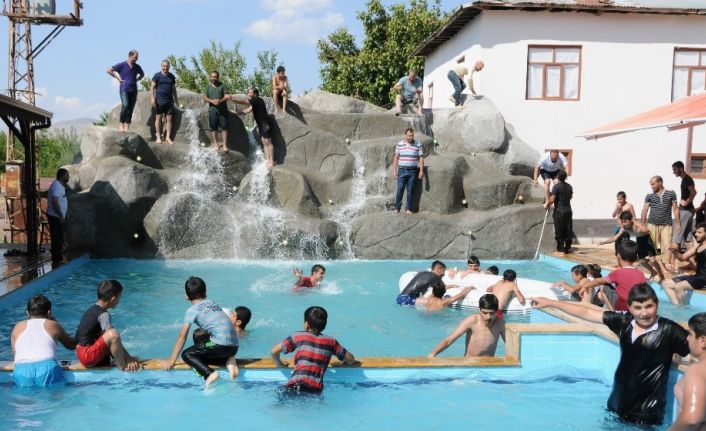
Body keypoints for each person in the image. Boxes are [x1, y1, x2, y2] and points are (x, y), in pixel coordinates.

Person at [532, 283, 689, 426]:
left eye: (649, 306)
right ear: (629, 307)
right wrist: (551, 303)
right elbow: (586, 312)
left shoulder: (670, 330)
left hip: (647, 409)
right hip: (617, 400)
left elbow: (698, 347)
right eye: (638, 308)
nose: (644, 313)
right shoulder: (624, 322)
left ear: (657, 304)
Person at [161, 276, 239, 386]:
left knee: (187, 354)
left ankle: (210, 374)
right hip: (234, 347)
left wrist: (171, 360)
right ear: (205, 293)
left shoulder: (191, 311)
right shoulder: (213, 303)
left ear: (187, 297)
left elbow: (182, 338)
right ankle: (228, 360)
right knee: (198, 336)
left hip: (221, 346)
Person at [271, 306, 356, 393]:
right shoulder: (331, 341)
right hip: (315, 390)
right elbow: (350, 360)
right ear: (324, 325)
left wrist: (279, 363)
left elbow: (274, 351)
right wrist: (348, 361)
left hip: (294, 385)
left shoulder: (297, 336)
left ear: (306, 324)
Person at [75, 280, 141, 371]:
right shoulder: (103, 315)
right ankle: (123, 367)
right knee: (113, 334)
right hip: (87, 356)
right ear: (113, 299)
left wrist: (126, 357)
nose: (119, 301)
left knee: (109, 334)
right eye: (119, 298)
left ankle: (118, 360)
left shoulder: (93, 309)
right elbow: (113, 338)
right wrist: (129, 359)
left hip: (82, 352)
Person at [11, 295, 76, 387]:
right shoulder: (53, 324)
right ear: (49, 312)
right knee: (54, 399)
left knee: (24, 400)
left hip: (22, 369)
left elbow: (16, 356)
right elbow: (71, 345)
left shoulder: (17, 327)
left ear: (27, 313)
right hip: (47, 368)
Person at [428, 294, 505, 358]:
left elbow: (510, 343)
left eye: (492, 313)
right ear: (479, 310)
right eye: (485, 313)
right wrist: (432, 354)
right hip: (469, 365)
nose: (488, 317)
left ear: (497, 311)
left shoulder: (500, 323)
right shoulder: (472, 321)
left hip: (488, 366)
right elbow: (449, 340)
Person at [578, 240, 647, 312]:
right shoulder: (641, 274)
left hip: (624, 307)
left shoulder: (618, 273)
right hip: (638, 307)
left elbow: (598, 281)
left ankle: (614, 313)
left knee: (603, 285)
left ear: (618, 256)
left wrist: (585, 286)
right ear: (636, 258)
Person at [600, 211, 665, 282]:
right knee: (642, 261)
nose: (623, 224)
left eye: (625, 221)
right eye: (622, 222)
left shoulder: (635, 224)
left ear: (631, 221)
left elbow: (646, 230)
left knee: (653, 260)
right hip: (640, 240)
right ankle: (653, 272)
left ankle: (661, 275)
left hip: (647, 238)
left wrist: (642, 230)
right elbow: (615, 238)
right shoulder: (623, 228)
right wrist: (604, 242)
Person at [670, 312, 706, 431]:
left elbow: (692, 419)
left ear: (703, 340)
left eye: (690, 333)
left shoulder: (697, 370)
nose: (687, 338)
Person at [642, 175, 680, 271]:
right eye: (651, 184)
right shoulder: (649, 195)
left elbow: (675, 209)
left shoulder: (671, 193)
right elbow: (645, 210)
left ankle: (665, 262)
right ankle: (654, 263)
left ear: (660, 182)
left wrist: (679, 223)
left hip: (666, 224)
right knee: (651, 246)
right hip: (652, 224)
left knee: (667, 244)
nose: (652, 186)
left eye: (653, 184)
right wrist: (643, 225)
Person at [662, 222, 706, 305]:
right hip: (698, 276)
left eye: (699, 232)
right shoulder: (698, 246)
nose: (696, 234)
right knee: (666, 284)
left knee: (680, 286)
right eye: (696, 232)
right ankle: (677, 307)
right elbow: (682, 258)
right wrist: (675, 251)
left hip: (704, 279)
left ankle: (681, 310)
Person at [233, 87, 275, 169]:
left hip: (265, 123)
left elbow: (244, 102)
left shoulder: (257, 99)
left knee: (268, 142)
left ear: (255, 94)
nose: (248, 94)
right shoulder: (255, 102)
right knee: (263, 141)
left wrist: (231, 98)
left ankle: (272, 161)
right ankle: (267, 160)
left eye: (250, 93)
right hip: (261, 124)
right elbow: (246, 111)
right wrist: (236, 113)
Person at [107, 50, 144, 132]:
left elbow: (142, 74)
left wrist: (137, 79)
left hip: (133, 90)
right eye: (135, 57)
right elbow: (109, 70)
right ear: (130, 56)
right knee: (126, 105)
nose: (137, 59)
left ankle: (127, 126)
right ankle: (121, 124)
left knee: (130, 109)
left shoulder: (137, 67)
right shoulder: (122, 65)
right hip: (124, 89)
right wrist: (118, 78)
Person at [393, 128, 425, 214]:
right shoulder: (400, 144)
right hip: (402, 170)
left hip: (413, 171)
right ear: (406, 135)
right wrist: (394, 171)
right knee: (400, 189)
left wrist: (421, 171)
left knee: (410, 190)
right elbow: (396, 158)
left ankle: (408, 209)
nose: (411, 137)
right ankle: (397, 208)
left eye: (412, 135)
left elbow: (421, 158)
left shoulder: (418, 144)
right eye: (409, 136)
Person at [150, 59, 179, 145]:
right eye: (164, 66)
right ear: (161, 66)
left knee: (169, 118)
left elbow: (174, 89)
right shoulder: (157, 76)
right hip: (159, 101)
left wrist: (176, 99)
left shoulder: (171, 76)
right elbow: (152, 88)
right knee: (158, 118)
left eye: (167, 66)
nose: (165, 68)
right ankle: (158, 137)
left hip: (169, 101)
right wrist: (152, 98)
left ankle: (168, 137)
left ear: (169, 67)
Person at [673, 161, 698, 254]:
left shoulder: (687, 179)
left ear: (681, 168)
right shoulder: (684, 179)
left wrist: (686, 202)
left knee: (678, 236)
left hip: (686, 211)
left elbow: (694, 192)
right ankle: (692, 261)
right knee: (688, 238)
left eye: (675, 169)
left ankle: (673, 264)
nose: (673, 172)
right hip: (688, 211)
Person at [546, 170, 573, 253]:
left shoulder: (556, 187)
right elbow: (570, 197)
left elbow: (552, 199)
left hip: (559, 211)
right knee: (568, 228)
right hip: (568, 210)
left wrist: (548, 198)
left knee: (559, 229)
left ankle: (560, 248)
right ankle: (568, 246)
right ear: (565, 177)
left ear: (558, 177)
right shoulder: (569, 186)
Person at [202, 70, 230, 152]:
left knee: (224, 127)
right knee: (213, 128)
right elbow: (204, 97)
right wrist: (212, 101)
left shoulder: (223, 85)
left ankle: (225, 145)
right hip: (212, 110)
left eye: (215, 77)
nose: (213, 78)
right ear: (210, 77)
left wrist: (220, 101)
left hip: (222, 110)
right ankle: (216, 144)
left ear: (218, 77)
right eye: (212, 77)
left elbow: (227, 96)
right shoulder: (208, 87)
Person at [47, 168, 69, 264]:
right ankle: (56, 259)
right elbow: (55, 202)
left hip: (58, 216)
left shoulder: (60, 186)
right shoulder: (56, 186)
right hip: (55, 216)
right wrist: (60, 215)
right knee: (56, 238)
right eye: (67, 175)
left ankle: (58, 258)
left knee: (59, 237)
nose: (69, 177)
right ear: (62, 176)